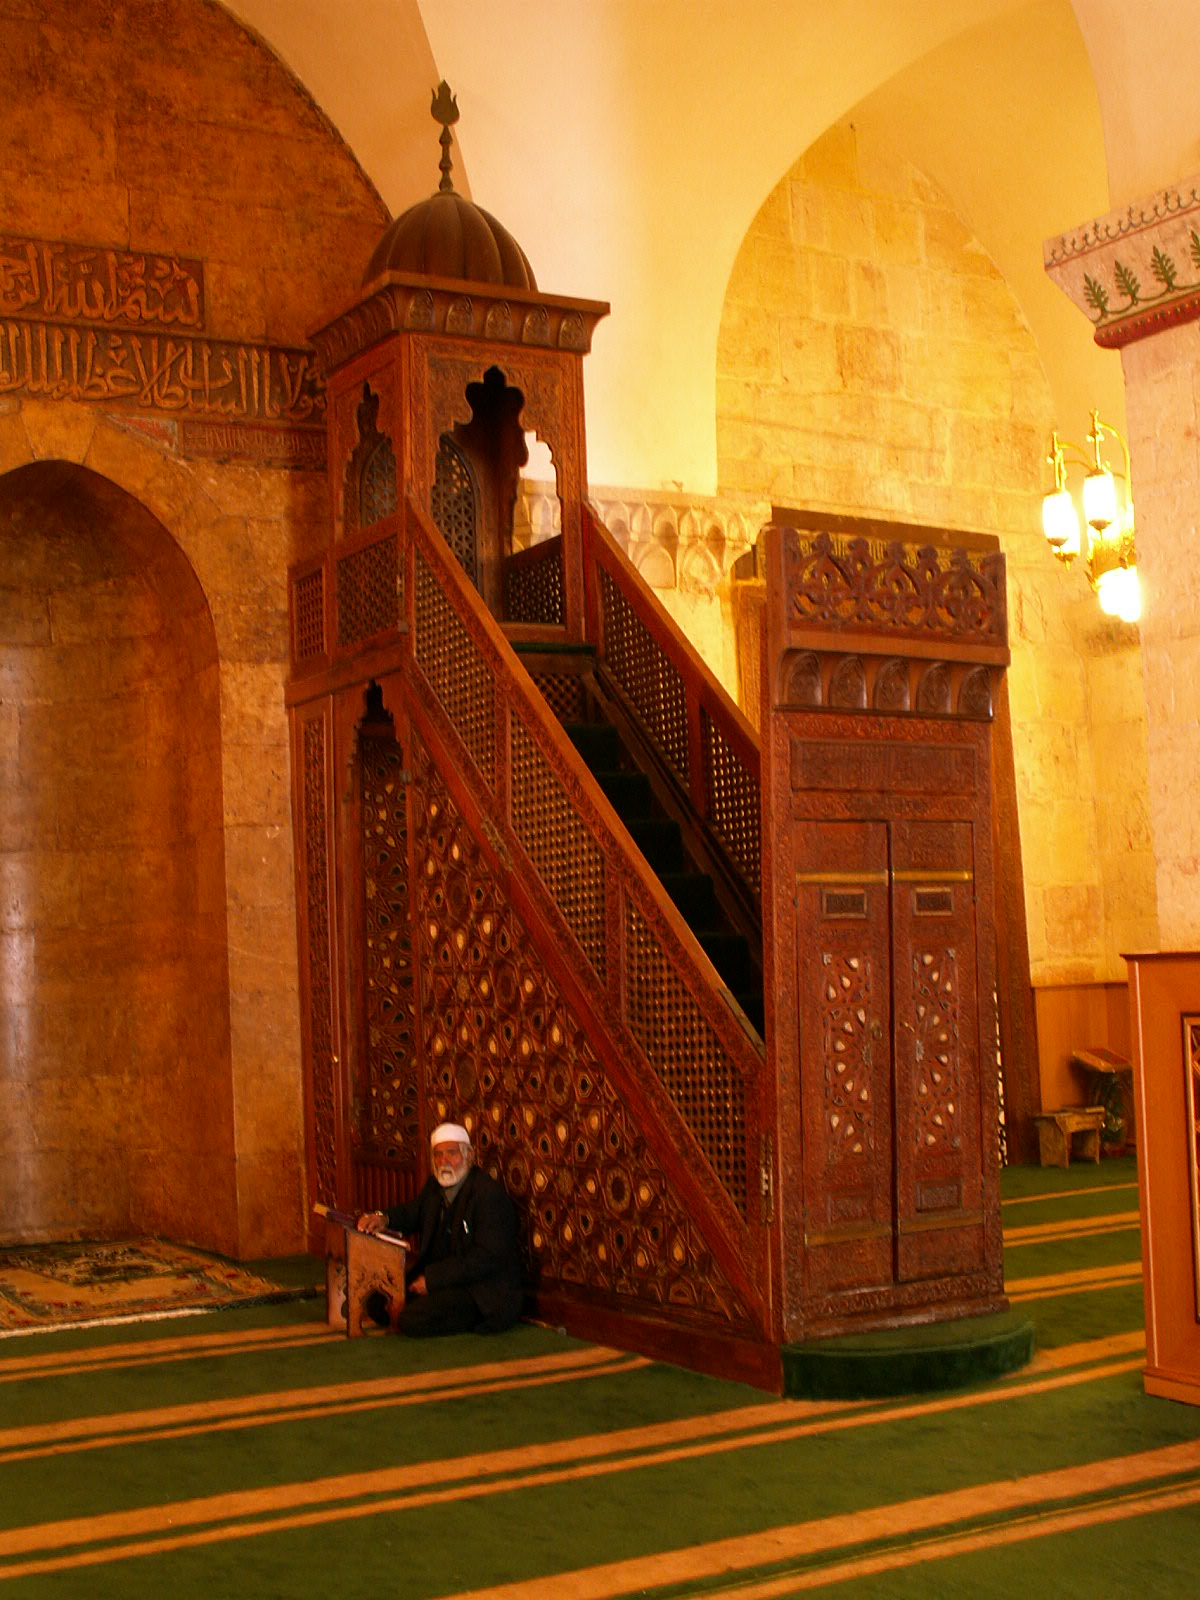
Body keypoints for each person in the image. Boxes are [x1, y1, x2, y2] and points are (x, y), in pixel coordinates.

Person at [356, 1122, 523, 1336]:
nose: (444, 1161)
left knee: (410, 1319)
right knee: (377, 1303)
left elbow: (485, 1259)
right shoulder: (435, 1187)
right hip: (445, 1280)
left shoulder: (488, 1196)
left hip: (479, 1290)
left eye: (451, 1154)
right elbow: (412, 1212)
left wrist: (433, 1281)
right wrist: (383, 1218)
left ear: (469, 1156)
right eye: (438, 1155)